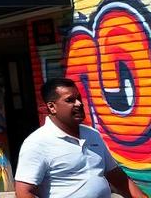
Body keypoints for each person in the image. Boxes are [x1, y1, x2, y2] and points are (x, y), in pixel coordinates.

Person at [14, 77, 144, 198]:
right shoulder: (37, 143)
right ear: (52, 107)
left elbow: (116, 176)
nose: (79, 104)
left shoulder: (93, 135)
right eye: (70, 100)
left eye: (79, 98)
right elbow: (23, 191)